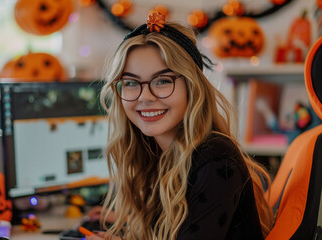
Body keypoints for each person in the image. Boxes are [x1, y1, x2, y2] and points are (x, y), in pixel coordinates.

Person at [86, 13, 274, 240]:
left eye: (163, 80)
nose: (145, 97)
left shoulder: (215, 158)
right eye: (131, 83)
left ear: (191, 87)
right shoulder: (159, 154)